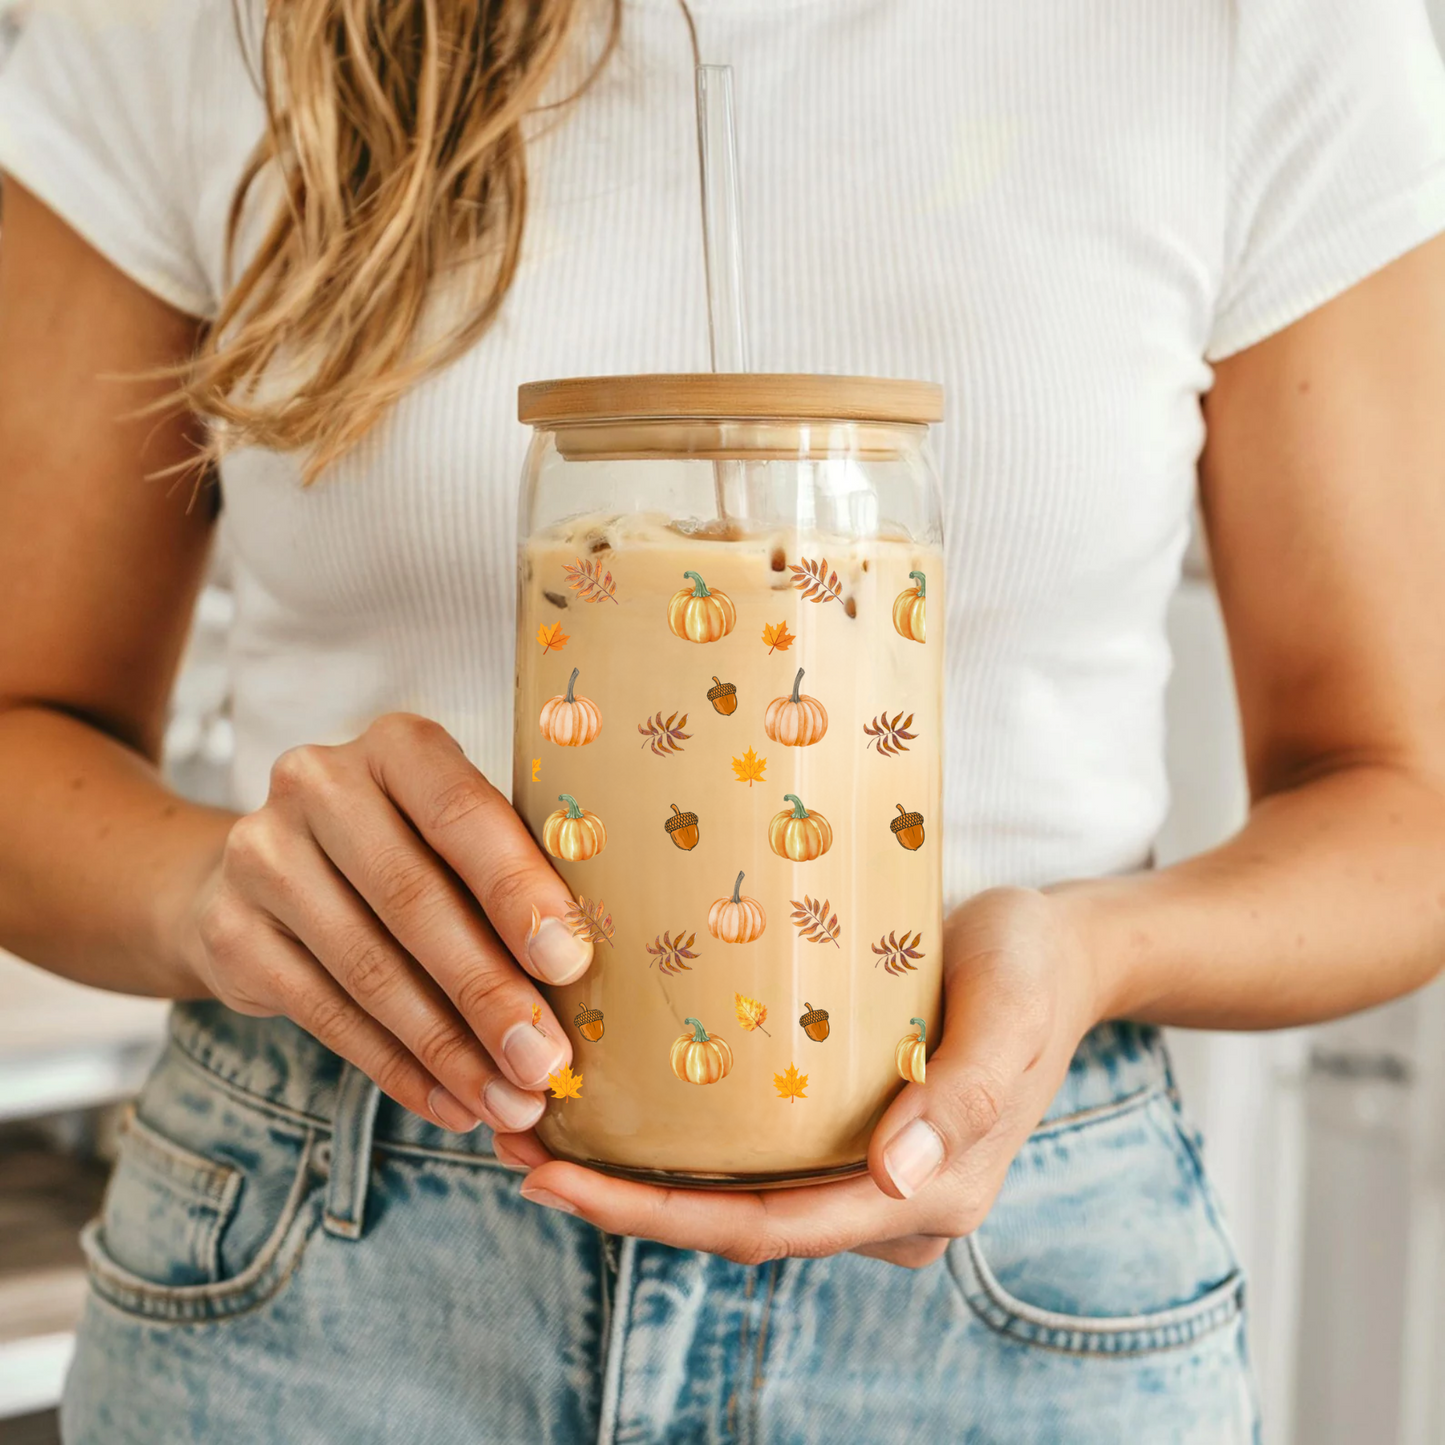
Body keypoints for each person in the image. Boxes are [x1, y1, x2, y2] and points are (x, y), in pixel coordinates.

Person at [3, 0, 1445, 1439]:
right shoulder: (195, 24)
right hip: (339, 1255)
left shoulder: (1258, 29)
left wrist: (1087, 954)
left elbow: (1406, 797)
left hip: (1012, 1275)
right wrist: (218, 894)